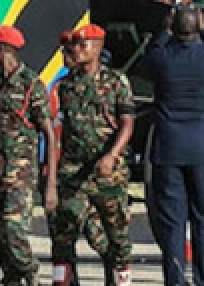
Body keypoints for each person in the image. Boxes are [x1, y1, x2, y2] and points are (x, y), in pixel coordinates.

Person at [135, 7, 204, 286]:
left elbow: (145, 62)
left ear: (173, 29)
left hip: (170, 151)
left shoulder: (162, 58)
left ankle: (175, 280)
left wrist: (164, 32)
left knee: (173, 224)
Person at [50, 24, 134, 286]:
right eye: (75, 45)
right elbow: (57, 130)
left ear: (98, 47)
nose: (77, 49)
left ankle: (119, 279)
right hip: (73, 171)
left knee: (117, 236)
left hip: (108, 173)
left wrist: (112, 155)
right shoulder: (65, 86)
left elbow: (127, 124)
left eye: (83, 44)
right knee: (63, 235)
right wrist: (52, 174)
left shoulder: (116, 82)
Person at [0, 24, 57, 286]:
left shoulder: (31, 85)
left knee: (14, 231)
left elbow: (49, 131)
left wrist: (50, 181)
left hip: (21, 174)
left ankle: (30, 271)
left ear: (2, 51)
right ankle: (12, 278)